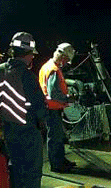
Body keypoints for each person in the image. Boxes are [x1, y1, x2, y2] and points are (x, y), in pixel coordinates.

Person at [0, 32, 47, 188]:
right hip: (28, 132)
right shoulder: (27, 76)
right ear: (29, 55)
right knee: (32, 173)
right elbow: (39, 107)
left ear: (12, 51)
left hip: (7, 130)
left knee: (14, 169)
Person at [38, 43, 77, 173]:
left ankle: (61, 160)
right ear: (62, 56)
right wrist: (68, 98)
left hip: (51, 108)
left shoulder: (47, 67)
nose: (66, 63)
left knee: (57, 136)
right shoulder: (53, 70)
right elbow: (53, 93)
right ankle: (57, 164)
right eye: (66, 60)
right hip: (52, 109)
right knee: (55, 137)